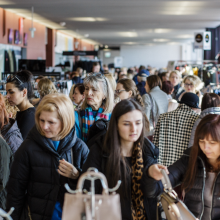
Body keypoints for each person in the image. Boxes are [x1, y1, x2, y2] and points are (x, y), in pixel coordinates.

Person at [6, 93, 89, 220]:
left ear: (65, 121)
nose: (44, 126)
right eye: (41, 120)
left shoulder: (79, 149)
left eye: (51, 122)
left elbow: (94, 189)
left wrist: (77, 175)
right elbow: (15, 192)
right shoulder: (28, 148)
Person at [82, 99, 159, 220]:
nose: (134, 129)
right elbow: (88, 190)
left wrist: (151, 176)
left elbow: (152, 194)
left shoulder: (148, 150)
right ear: (116, 125)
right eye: (127, 124)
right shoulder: (100, 150)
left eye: (138, 123)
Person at [146, 114, 220, 220]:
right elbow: (155, 188)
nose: (205, 147)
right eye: (201, 141)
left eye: (212, 143)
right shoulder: (191, 158)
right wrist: (151, 174)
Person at [153, 92, 199, 166]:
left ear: (180, 103)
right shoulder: (197, 120)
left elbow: (155, 144)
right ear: (194, 107)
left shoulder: (163, 117)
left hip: (163, 166)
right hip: (185, 167)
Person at [75, 73, 114, 142]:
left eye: (94, 89)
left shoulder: (113, 114)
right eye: (87, 89)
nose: (89, 93)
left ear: (104, 94)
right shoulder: (79, 113)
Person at [6, 71, 35, 139]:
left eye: (11, 92)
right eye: (7, 92)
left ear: (24, 92)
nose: (7, 96)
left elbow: (19, 146)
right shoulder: (23, 112)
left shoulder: (29, 116)